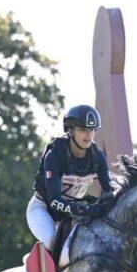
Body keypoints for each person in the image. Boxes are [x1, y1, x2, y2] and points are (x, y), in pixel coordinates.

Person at [27, 104, 114, 258]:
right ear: (70, 130)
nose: (89, 135)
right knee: (50, 240)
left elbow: (110, 190)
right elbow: (54, 201)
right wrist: (85, 210)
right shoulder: (55, 155)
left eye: (92, 130)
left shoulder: (98, 157)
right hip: (43, 209)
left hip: (71, 214)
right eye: (82, 129)